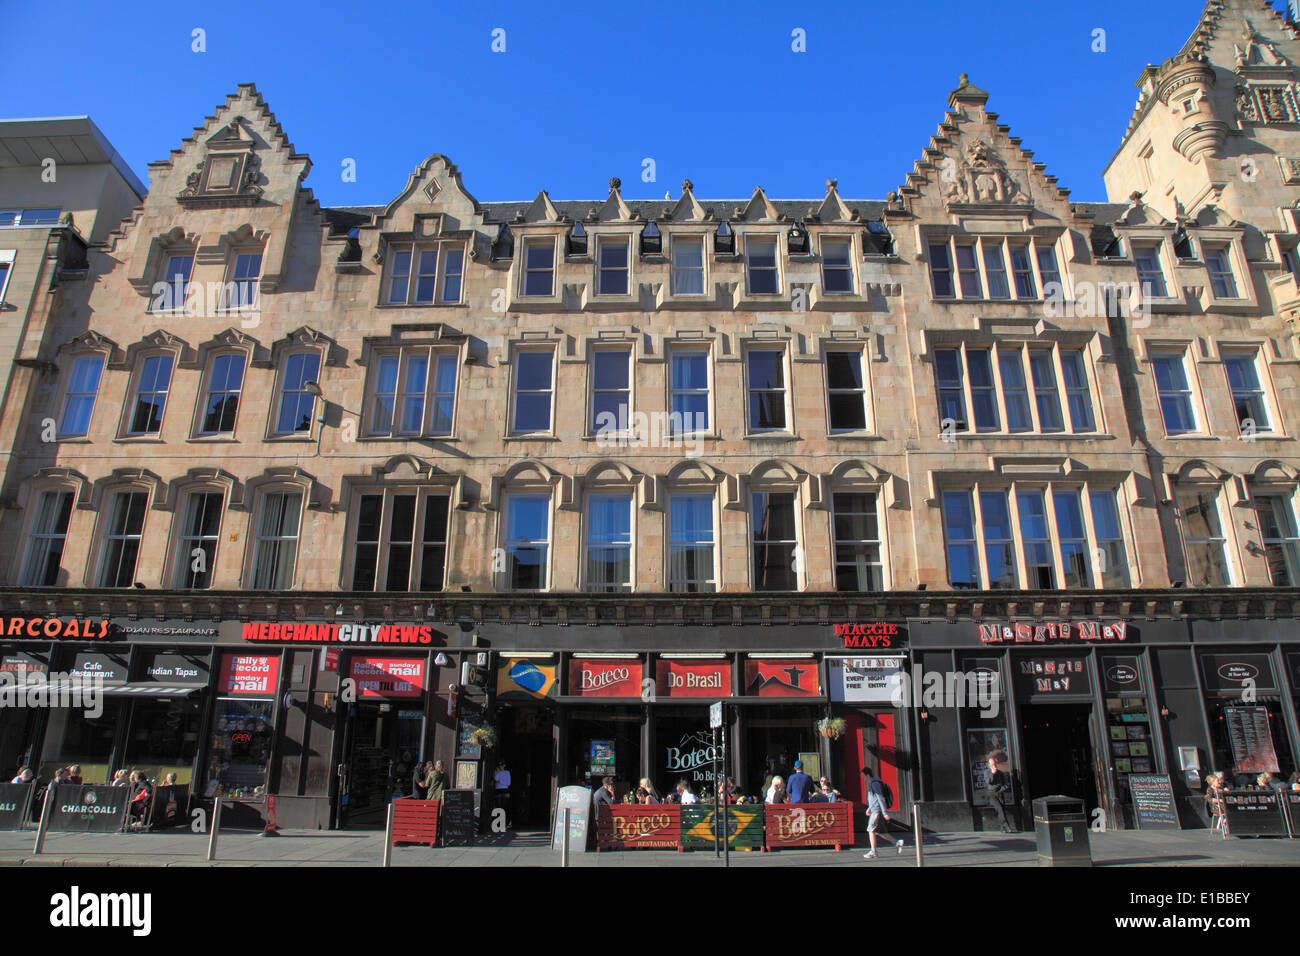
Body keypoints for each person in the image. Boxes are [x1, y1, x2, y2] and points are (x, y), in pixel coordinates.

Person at [862, 765, 904, 859]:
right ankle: (897, 842)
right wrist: (869, 808)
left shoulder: (874, 784)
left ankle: (873, 851)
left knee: (870, 830)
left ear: (867, 775)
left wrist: (884, 812)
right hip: (874, 810)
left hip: (876, 811)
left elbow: (880, 798)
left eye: (863, 776)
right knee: (880, 832)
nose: (863, 778)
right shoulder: (872, 783)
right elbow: (873, 799)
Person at [984, 757, 1015, 833]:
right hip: (991, 794)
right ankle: (1006, 826)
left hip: (999, 793)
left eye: (994, 764)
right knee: (999, 808)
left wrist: (1001, 789)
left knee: (1001, 810)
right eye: (991, 764)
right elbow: (989, 782)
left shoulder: (1000, 773)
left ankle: (1003, 827)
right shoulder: (987, 772)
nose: (993, 766)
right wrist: (992, 773)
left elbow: (1006, 784)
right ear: (989, 765)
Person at [493, 761, 512, 827]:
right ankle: (498, 822)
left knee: (505, 806)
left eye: (502, 765)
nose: (501, 767)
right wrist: (498, 773)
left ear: (504, 766)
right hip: (498, 790)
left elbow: (508, 783)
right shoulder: (497, 772)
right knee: (499, 806)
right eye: (500, 766)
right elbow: (495, 779)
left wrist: (500, 781)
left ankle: (505, 822)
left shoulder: (507, 772)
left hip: (505, 790)